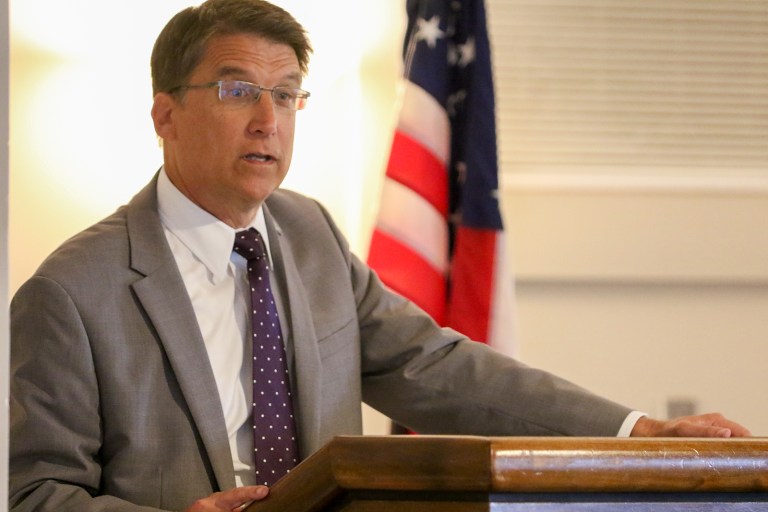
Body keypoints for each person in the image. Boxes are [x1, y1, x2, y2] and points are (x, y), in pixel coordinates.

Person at [8, 0, 751, 511]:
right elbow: (39, 493)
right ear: (165, 114)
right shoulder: (74, 291)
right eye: (238, 92)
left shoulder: (310, 234)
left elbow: (435, 364)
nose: (269, 121)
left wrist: (635, 432)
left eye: (288, 94)